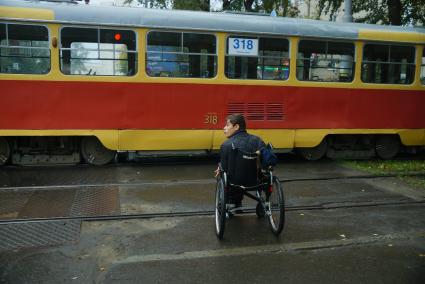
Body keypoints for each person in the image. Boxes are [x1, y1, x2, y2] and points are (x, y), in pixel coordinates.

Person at [215, 114, 265, 207]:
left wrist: (219, 166)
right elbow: (265, 160)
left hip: (234, 183)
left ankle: (233, 201)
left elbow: (224, 168)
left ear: (236, 127)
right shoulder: (257, 140)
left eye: (227, 125)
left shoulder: (226, 145)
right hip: (256, 181)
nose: (224, 128)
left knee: (223, 174)